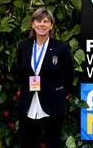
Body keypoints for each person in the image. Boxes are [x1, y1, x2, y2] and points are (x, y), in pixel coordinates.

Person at [15, 8, 74, 148]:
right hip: (28, 102)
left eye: (46, 21)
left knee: (52, 142)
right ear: (33, 24)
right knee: (27, 142)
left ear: (51, 25)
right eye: (38, 20)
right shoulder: (23, 46)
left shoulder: (61, 47)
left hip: (52, 102)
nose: (42, 24)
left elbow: (69, 74)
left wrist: (65, 92)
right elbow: (19, 72)